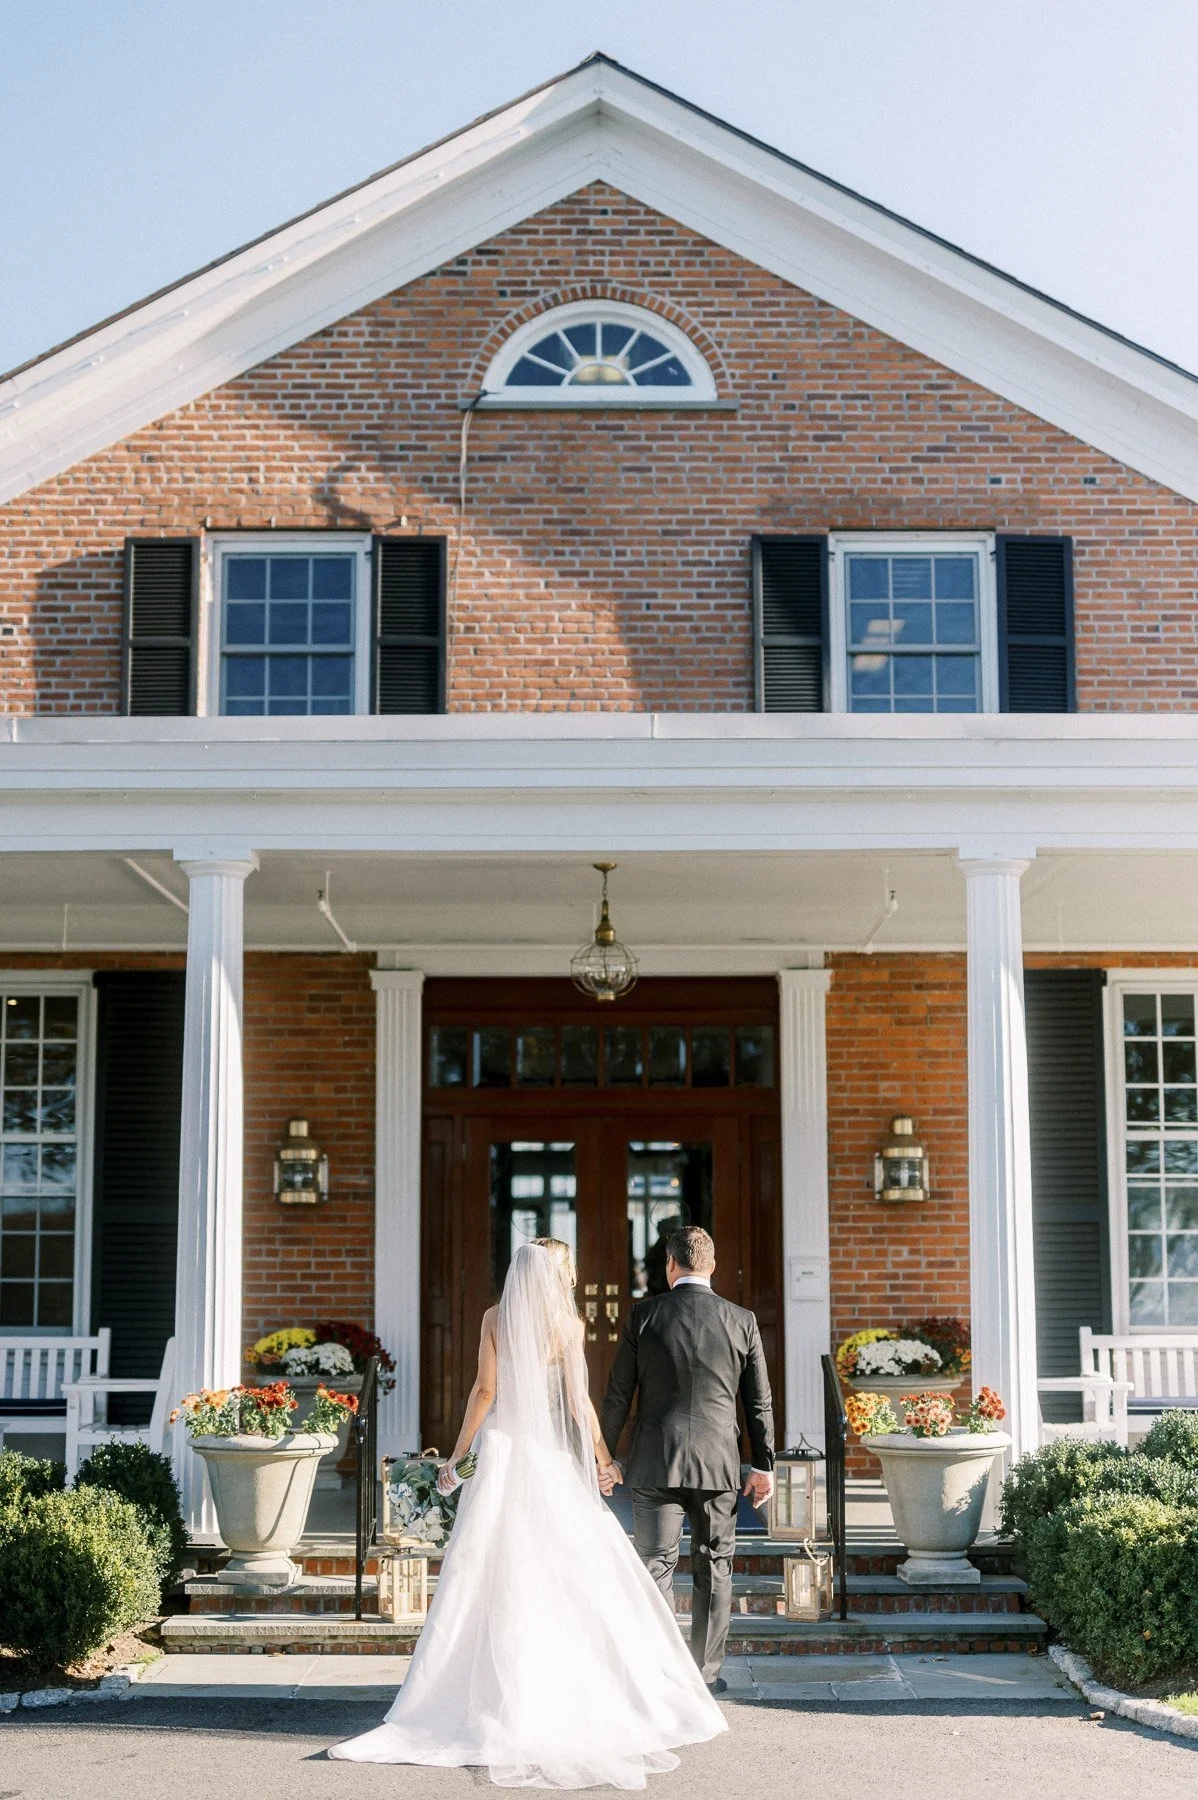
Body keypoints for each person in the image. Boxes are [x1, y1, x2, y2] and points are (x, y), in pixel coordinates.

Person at [330, 1237, 725, 1789]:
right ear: (559, 1274)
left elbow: (484, 1391)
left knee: (485, 1575)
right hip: (548, 1462)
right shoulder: (566, 1324)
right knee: (561, 1576)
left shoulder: (495, 1316)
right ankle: (563, 1688)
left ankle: (482, 1693)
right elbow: (579, 1401)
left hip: (501, 1457)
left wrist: (457, 1455)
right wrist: (604, 1459)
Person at [599, 1224, 775, 1693]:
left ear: (670, 1264)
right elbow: (758, 1402)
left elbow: (619, 1392)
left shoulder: (644, 1316)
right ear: (712, 1265)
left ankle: (658, 1673)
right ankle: (702, 1676)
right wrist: (763, 1466)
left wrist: (607, 1456)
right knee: (715, 1565)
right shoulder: (742, 1320)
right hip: (718, 1463)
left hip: (656, 1460)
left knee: (655, 1563)